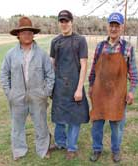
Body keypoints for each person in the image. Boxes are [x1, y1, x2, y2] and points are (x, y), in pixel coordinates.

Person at [0, 16, 54, 160]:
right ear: (18, 35)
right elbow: (4, 74)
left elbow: (50, 75)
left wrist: (46, 92)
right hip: (17, 97)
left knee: (41, 125)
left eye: (29, 32)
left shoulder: (41, 54)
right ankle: (19, 151)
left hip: (38, 96)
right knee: (17, 127)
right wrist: (9, 93)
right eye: (23, 32)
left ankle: (43, 149)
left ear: (33, 34)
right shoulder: (10, 54)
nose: (27, 35)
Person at [88, 12, 138, 163]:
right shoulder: (100, 47)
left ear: (122, 27)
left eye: (117, 25)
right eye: (111, 25)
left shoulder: (127, 48)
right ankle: (97, 149)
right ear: (108, 27)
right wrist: (91, 86)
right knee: (97, 123)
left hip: (118, 94)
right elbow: (93, 70)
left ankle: (116, 150)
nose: (114, 28)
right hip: (99, 92)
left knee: (116, 125)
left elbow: (134, 74)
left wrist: (131, 91)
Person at [49, 10, 89, 160]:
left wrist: (79, 88)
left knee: (74, 117)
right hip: (59, 85)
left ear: (72, 22)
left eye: (66, 21)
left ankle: (71, 147)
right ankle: (60, 143)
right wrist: (51, 86)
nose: (64, 24)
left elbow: (84, 65)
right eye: (61, 21)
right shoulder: (55, 42)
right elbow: (52, 64)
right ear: (59, 23)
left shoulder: (80, 40)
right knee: (59, 117)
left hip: (74, 85)